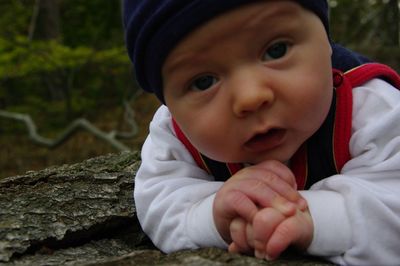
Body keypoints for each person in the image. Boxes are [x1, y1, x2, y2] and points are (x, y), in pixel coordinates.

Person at [123, 0, 400, 265]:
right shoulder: (174, 132)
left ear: (326, 41)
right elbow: (157, 200)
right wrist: (211, 216)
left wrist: (309, 217)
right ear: (169, 103)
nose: (250, 97)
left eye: (276, 50)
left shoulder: (373, 108)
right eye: (203, 82)